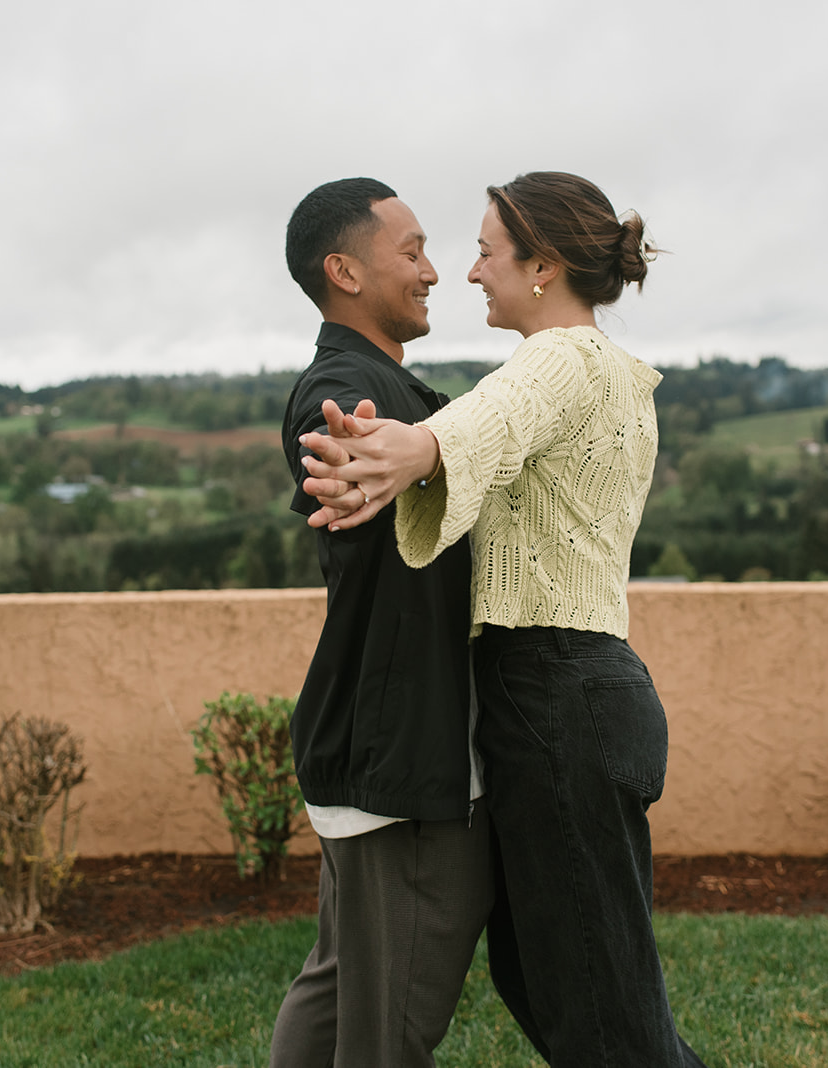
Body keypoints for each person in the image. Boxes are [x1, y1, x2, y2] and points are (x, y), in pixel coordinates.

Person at [298, 171, 708, 1067]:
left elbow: (484, 427)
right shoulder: (590, 367)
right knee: (557, 979)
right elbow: (491, 432)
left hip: (556, 693)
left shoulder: (559, 360)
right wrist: (396, 457)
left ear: (543, 266)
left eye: (486, 252)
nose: (469, 272)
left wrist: (405, 449)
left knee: (600, 1005)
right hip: (569, 692)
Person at [268, 177, 493, 1068]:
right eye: (411, 251)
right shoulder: (343, 388)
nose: (433, 270)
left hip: (375, 747)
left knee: (337, 995)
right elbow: (338, 443)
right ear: (344, 271)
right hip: (393, 763)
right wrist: (349, 461)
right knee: (389, 1028)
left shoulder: (392, 383)